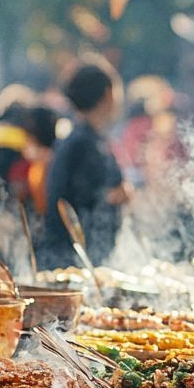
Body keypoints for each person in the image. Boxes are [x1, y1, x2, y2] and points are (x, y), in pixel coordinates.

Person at [37, 60, 128, 269]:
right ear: (108, 94)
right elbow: (82, 199)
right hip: (70, 260)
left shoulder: (87, 139)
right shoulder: (83, 143)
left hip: (83, 258)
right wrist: (116, 195)